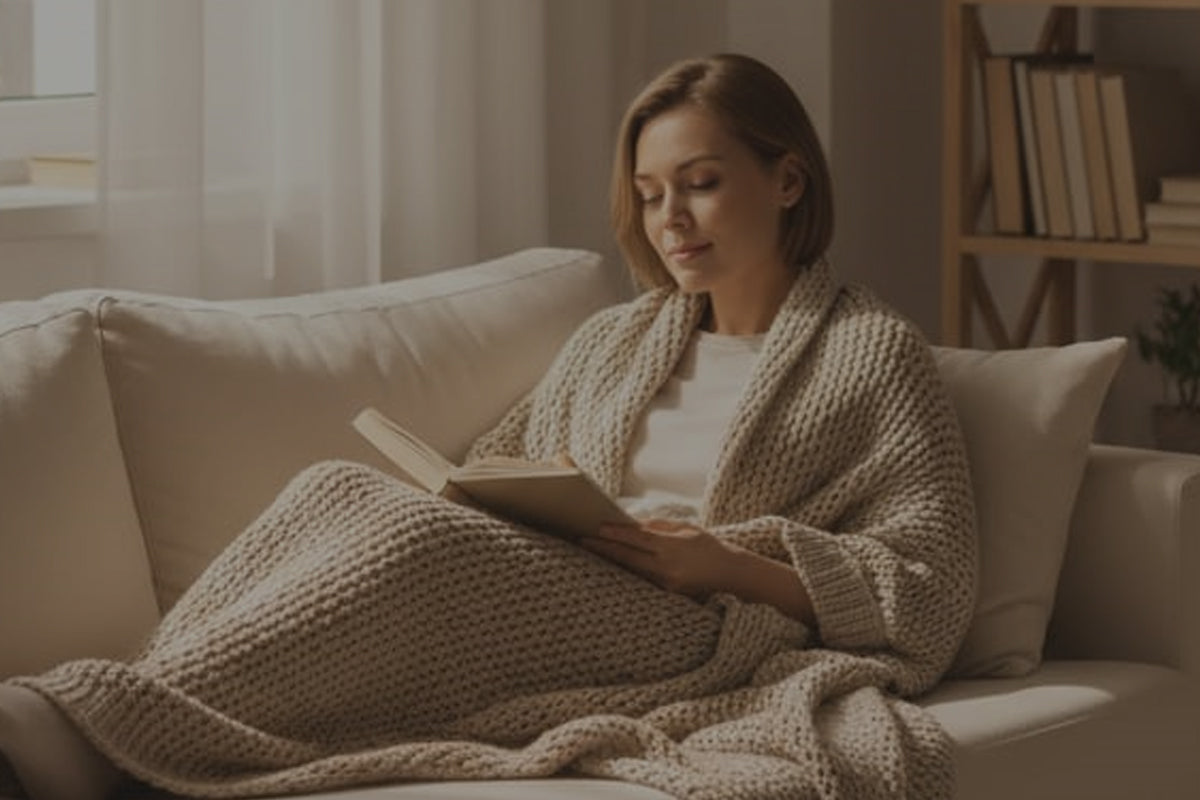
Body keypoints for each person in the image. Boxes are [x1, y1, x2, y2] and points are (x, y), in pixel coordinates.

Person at [0, 53, 976, 800]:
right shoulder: (617, 339)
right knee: (336, 488)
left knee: (417, 540)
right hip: (568, 582)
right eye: (649, 193)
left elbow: (927, 591)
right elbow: (491, 469)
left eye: (701, 181)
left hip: (697, 627)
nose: (670, 216)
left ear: (788, 181)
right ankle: (129, 695)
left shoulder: (872, 353)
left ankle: (80, 726)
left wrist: (719, 561)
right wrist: (525, 487)